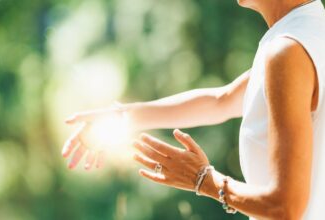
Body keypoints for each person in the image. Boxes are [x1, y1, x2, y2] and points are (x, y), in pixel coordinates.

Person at [62, 0, 325, 219]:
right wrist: (121, 116)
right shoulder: (307, 35)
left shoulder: (287, 51)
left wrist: (204, 181)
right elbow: (221, 101)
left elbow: (285, 207)